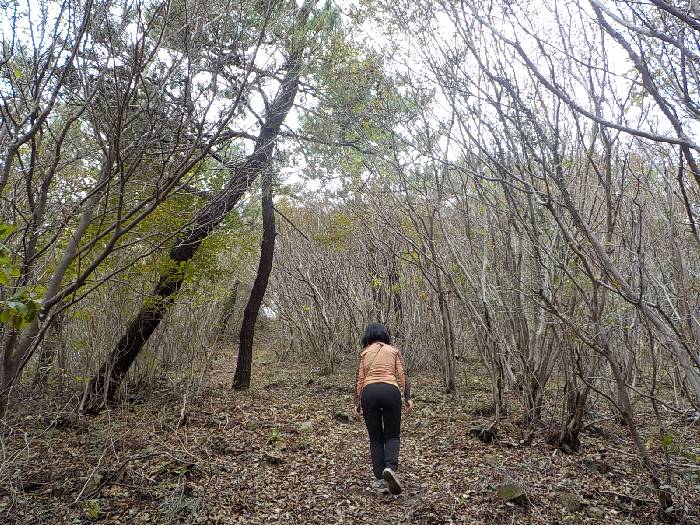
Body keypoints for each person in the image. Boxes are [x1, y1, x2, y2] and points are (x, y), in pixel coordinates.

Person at [353, 322, 413, 495]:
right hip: (390, 391)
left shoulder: (364, 353)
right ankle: (390, 468)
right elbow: (403, 375)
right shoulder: (393, 351)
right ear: (384, 334)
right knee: (392, 435)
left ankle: (380, 479)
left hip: (369, 393)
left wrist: (356, 403)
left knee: (375, 439)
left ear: (368, 335)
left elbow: (359, 379)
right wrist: (407, 398)